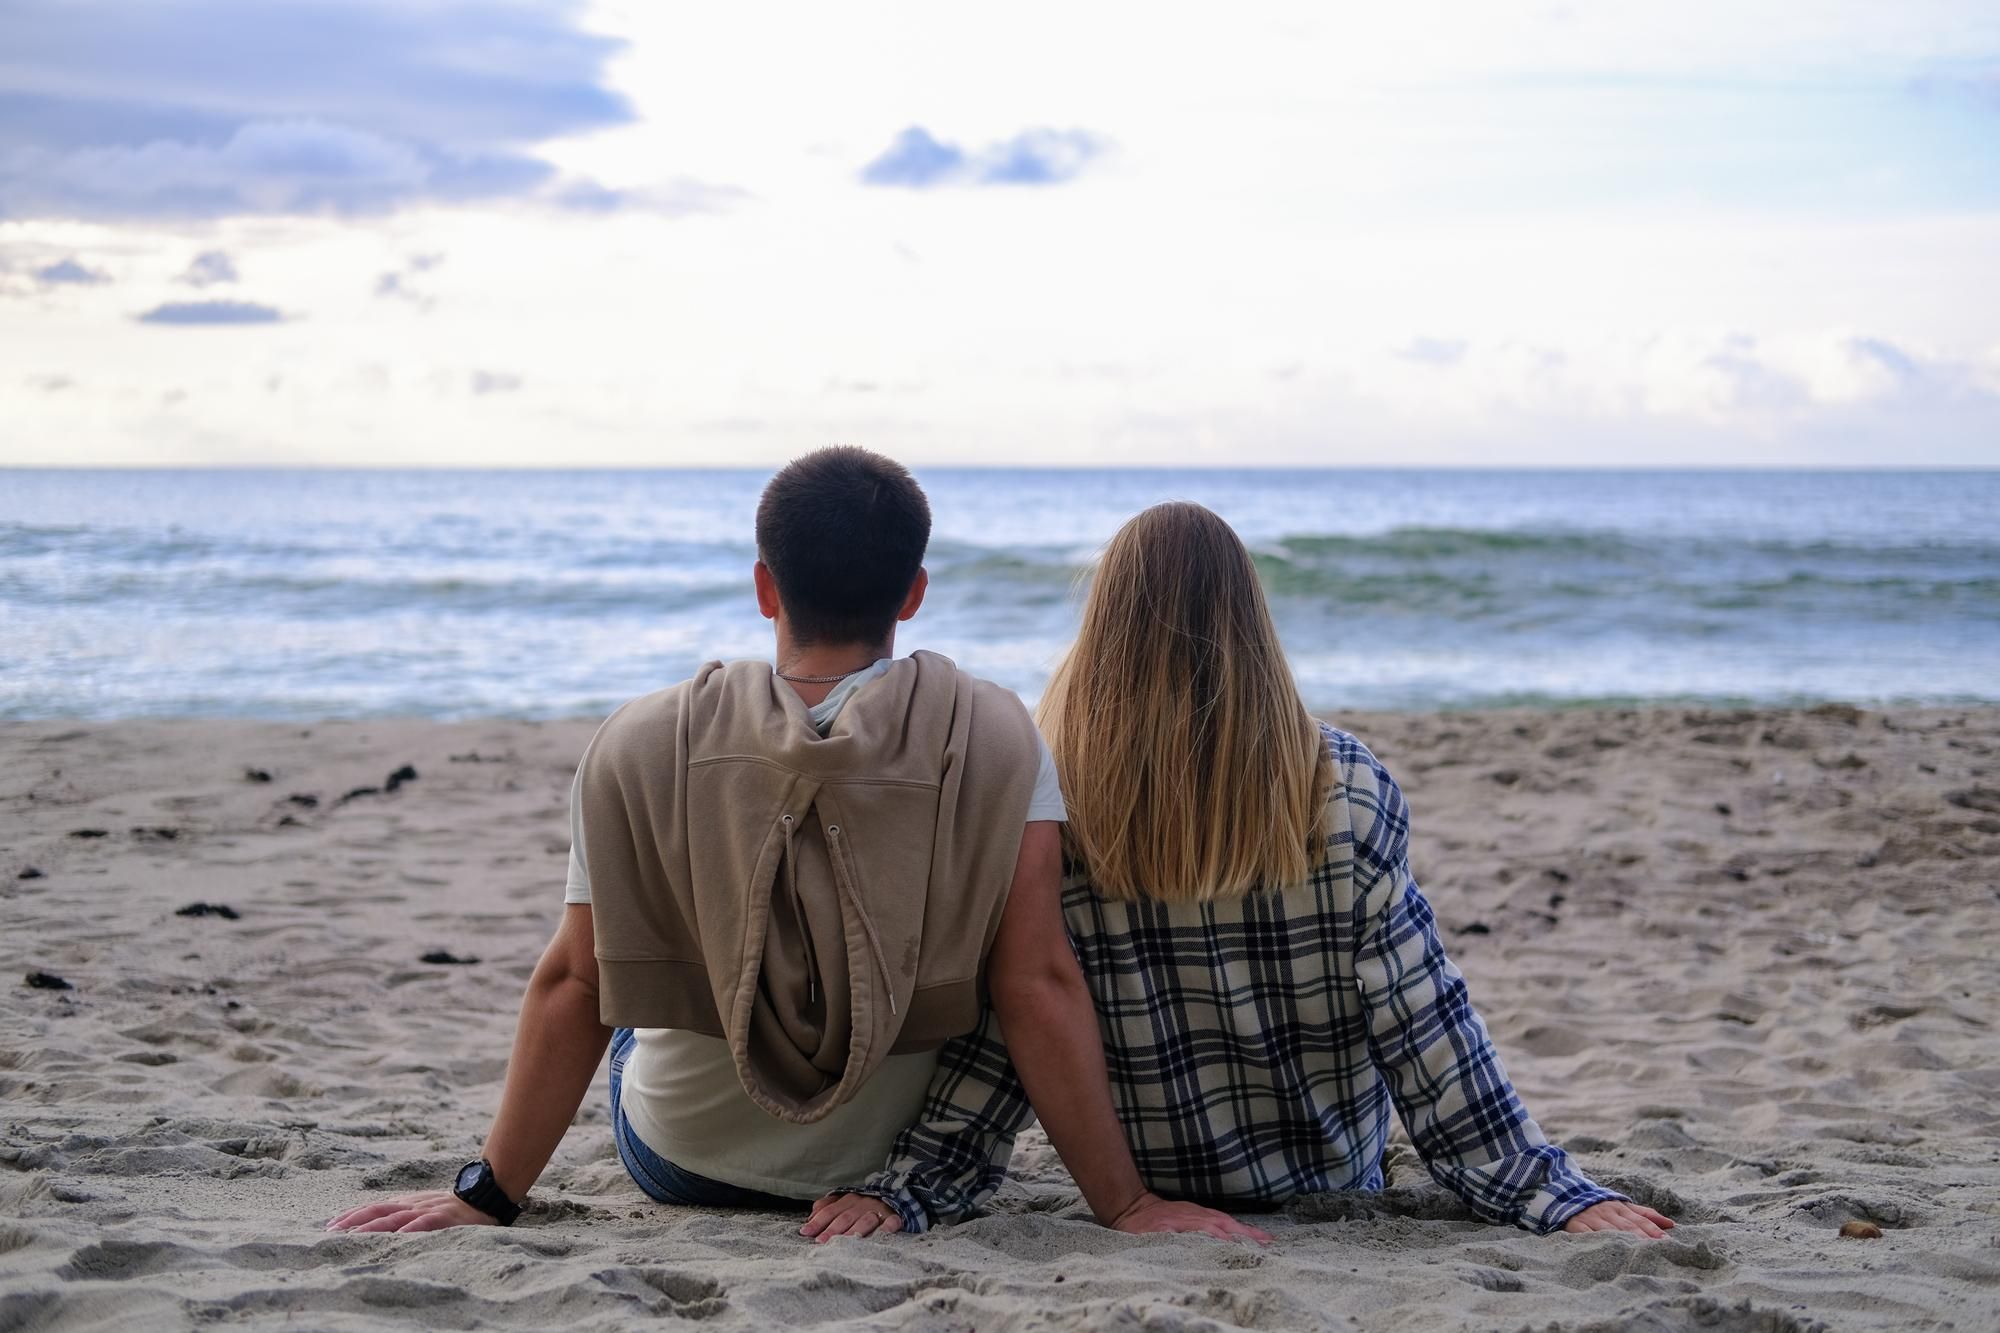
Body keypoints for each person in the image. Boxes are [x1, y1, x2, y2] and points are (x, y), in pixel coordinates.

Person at [329, 452, 1262, 1243]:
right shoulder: (998, 737)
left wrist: (487, 1195)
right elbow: (1036, 983)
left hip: (682, 1158)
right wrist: (1127, 1202)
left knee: (628, 990)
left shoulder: (639, 741)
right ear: (915, 593)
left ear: (765, 584)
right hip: (882, 1168)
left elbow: (574, 983)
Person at [808, 502, 1674, 1240]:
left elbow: (1015, 1010)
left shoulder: (1044, 793)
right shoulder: (1340, 785)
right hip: (1330, 1184)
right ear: (1252, 621)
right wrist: (1542, 1189)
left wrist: (918, 1181)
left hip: (1144, 1187)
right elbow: (1422, 1018)